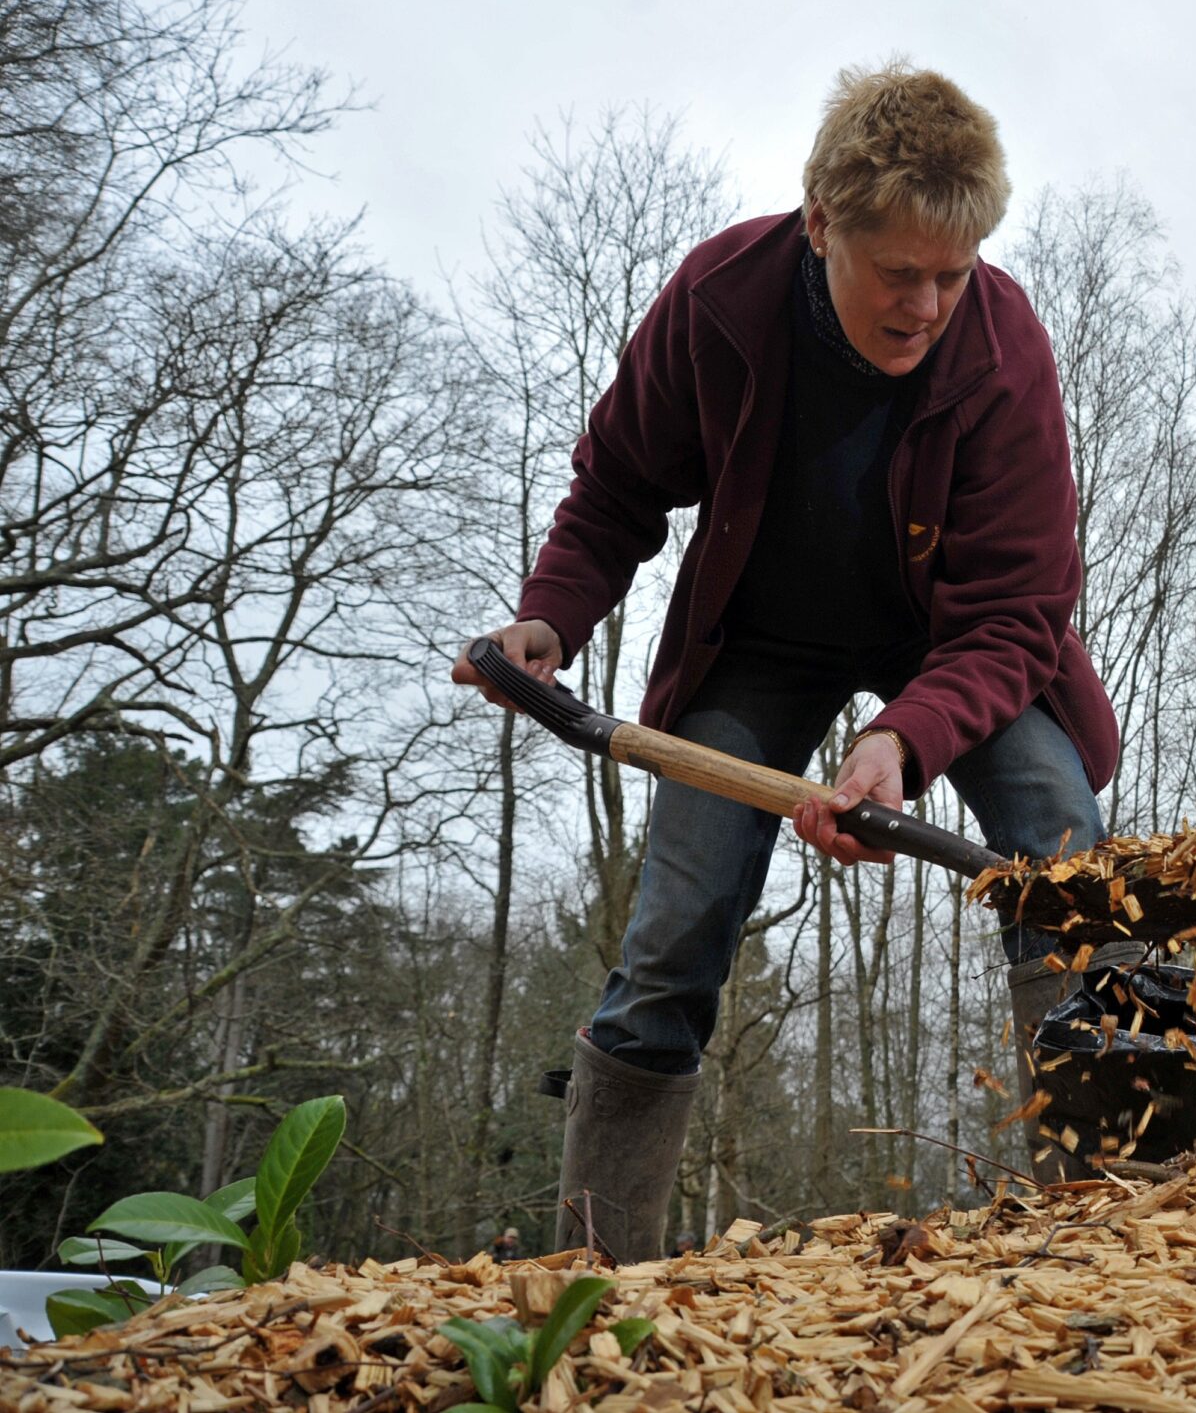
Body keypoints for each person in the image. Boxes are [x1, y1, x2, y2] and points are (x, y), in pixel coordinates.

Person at [453, 62, 1122, 1261]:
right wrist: (555, 612)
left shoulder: (1005, 346)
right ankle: (598, 1265)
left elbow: (1021, 608)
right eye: (898, 271)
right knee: (678, 919)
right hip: (759, 639)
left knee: (1064, 848)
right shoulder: (720, 299)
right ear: (822, 227)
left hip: (953, 641)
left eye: (952, 274)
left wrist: (901, 738)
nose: (926, 305)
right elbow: (615, 486)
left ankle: (1117, 1210)